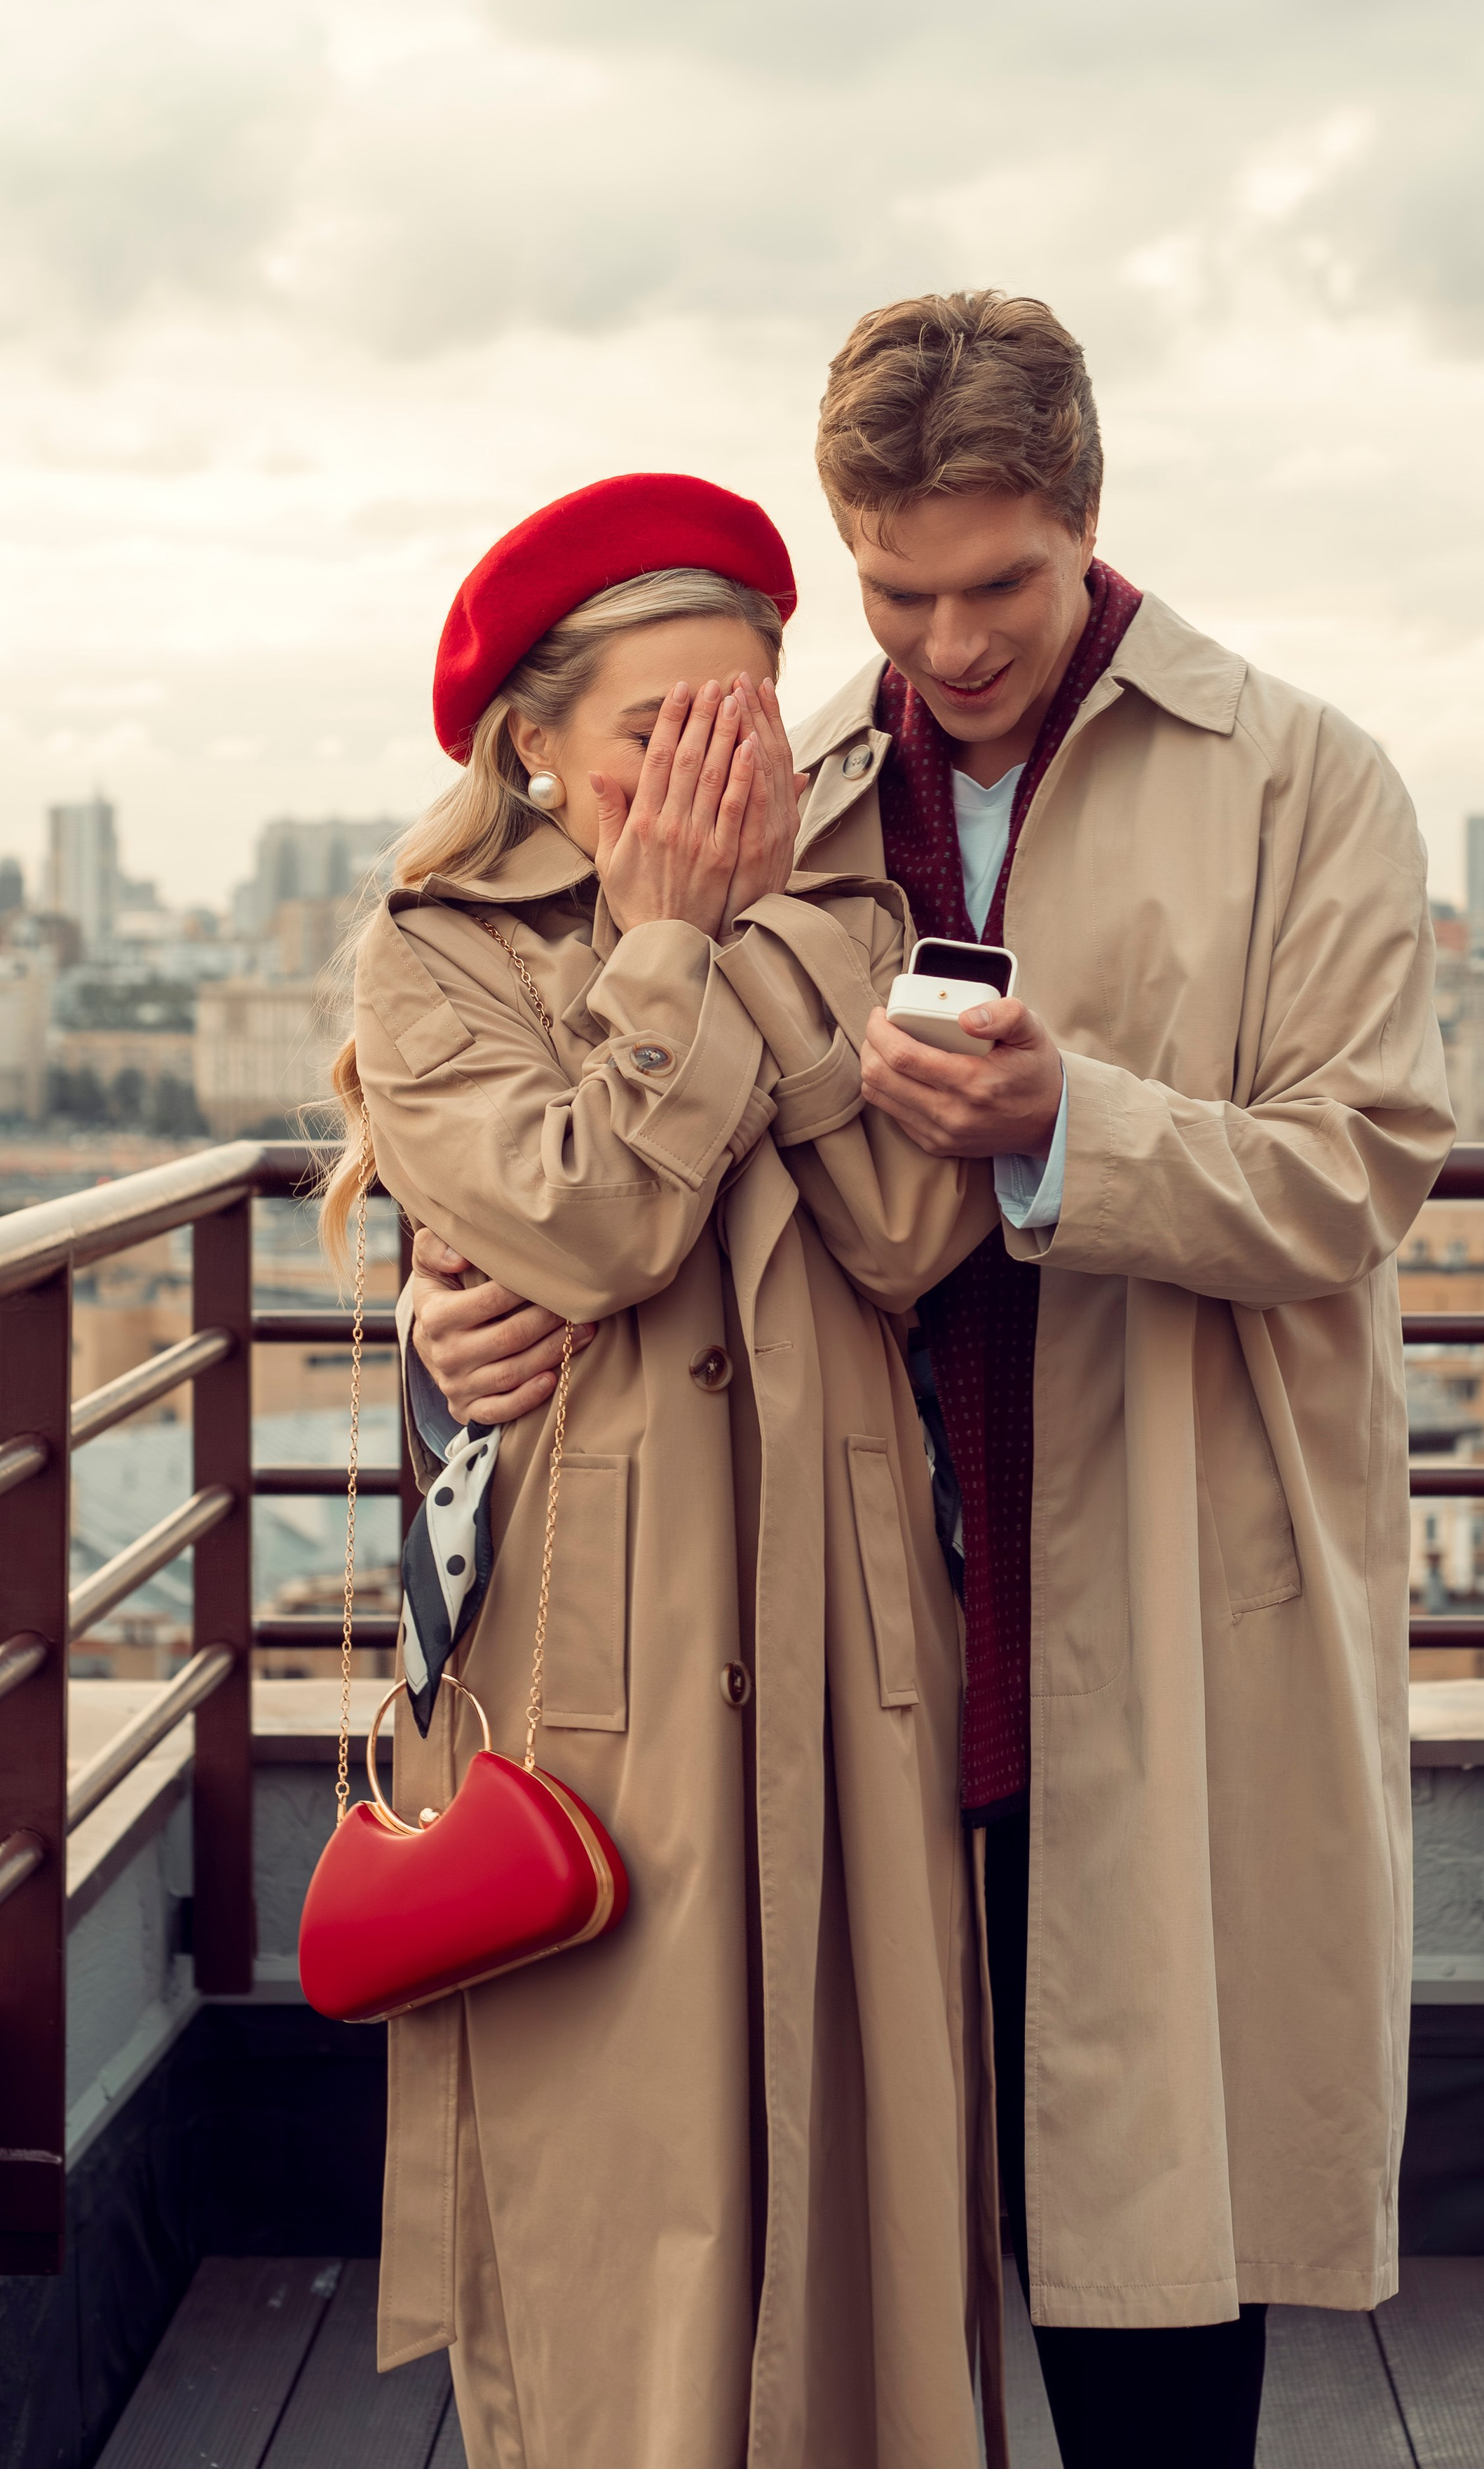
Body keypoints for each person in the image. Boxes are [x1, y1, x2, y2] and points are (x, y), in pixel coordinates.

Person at [406, 301, 1456, 2469]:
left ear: (1089, 522)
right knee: (856, 2253)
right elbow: (587, 1141)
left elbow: (1358, 1173)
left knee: (1155, 2254)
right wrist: (448, 1303)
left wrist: (1068, 1125)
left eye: (1002, 586)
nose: (950, 643)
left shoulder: (1301, 778)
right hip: (836, 1634)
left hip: (1162, 1609)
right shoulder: (776, 792)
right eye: (896, 595)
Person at [322, 473, 1006, 2469]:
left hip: (837, 1643)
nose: (713, 773)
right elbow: (595, 1224)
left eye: (743, 722)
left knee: (864, 2183)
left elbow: (909, 1231)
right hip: (582, 1675)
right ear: (531, 747)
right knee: (615, 2202)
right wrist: (660, 950)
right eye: (653, 733)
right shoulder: (434, 958)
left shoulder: (861, 915)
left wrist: (754, 958)